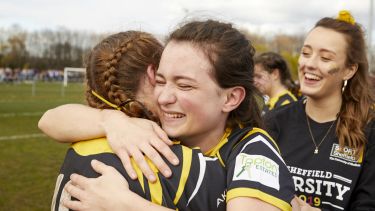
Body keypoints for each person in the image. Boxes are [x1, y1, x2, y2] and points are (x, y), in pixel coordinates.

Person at [40, 20, 295, 211]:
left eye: (184, 85)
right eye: (160, 81)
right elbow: (50, 120)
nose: (163, 97)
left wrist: (128, 205)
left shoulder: (251, 149)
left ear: (230, 98)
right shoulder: (152, 129)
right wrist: (111, 121)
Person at [265, 11, 375, 210]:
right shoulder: (273, 122)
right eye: (306, 53)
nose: (309, 64)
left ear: (349, 70)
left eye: (325, 58)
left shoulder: (369, 130)